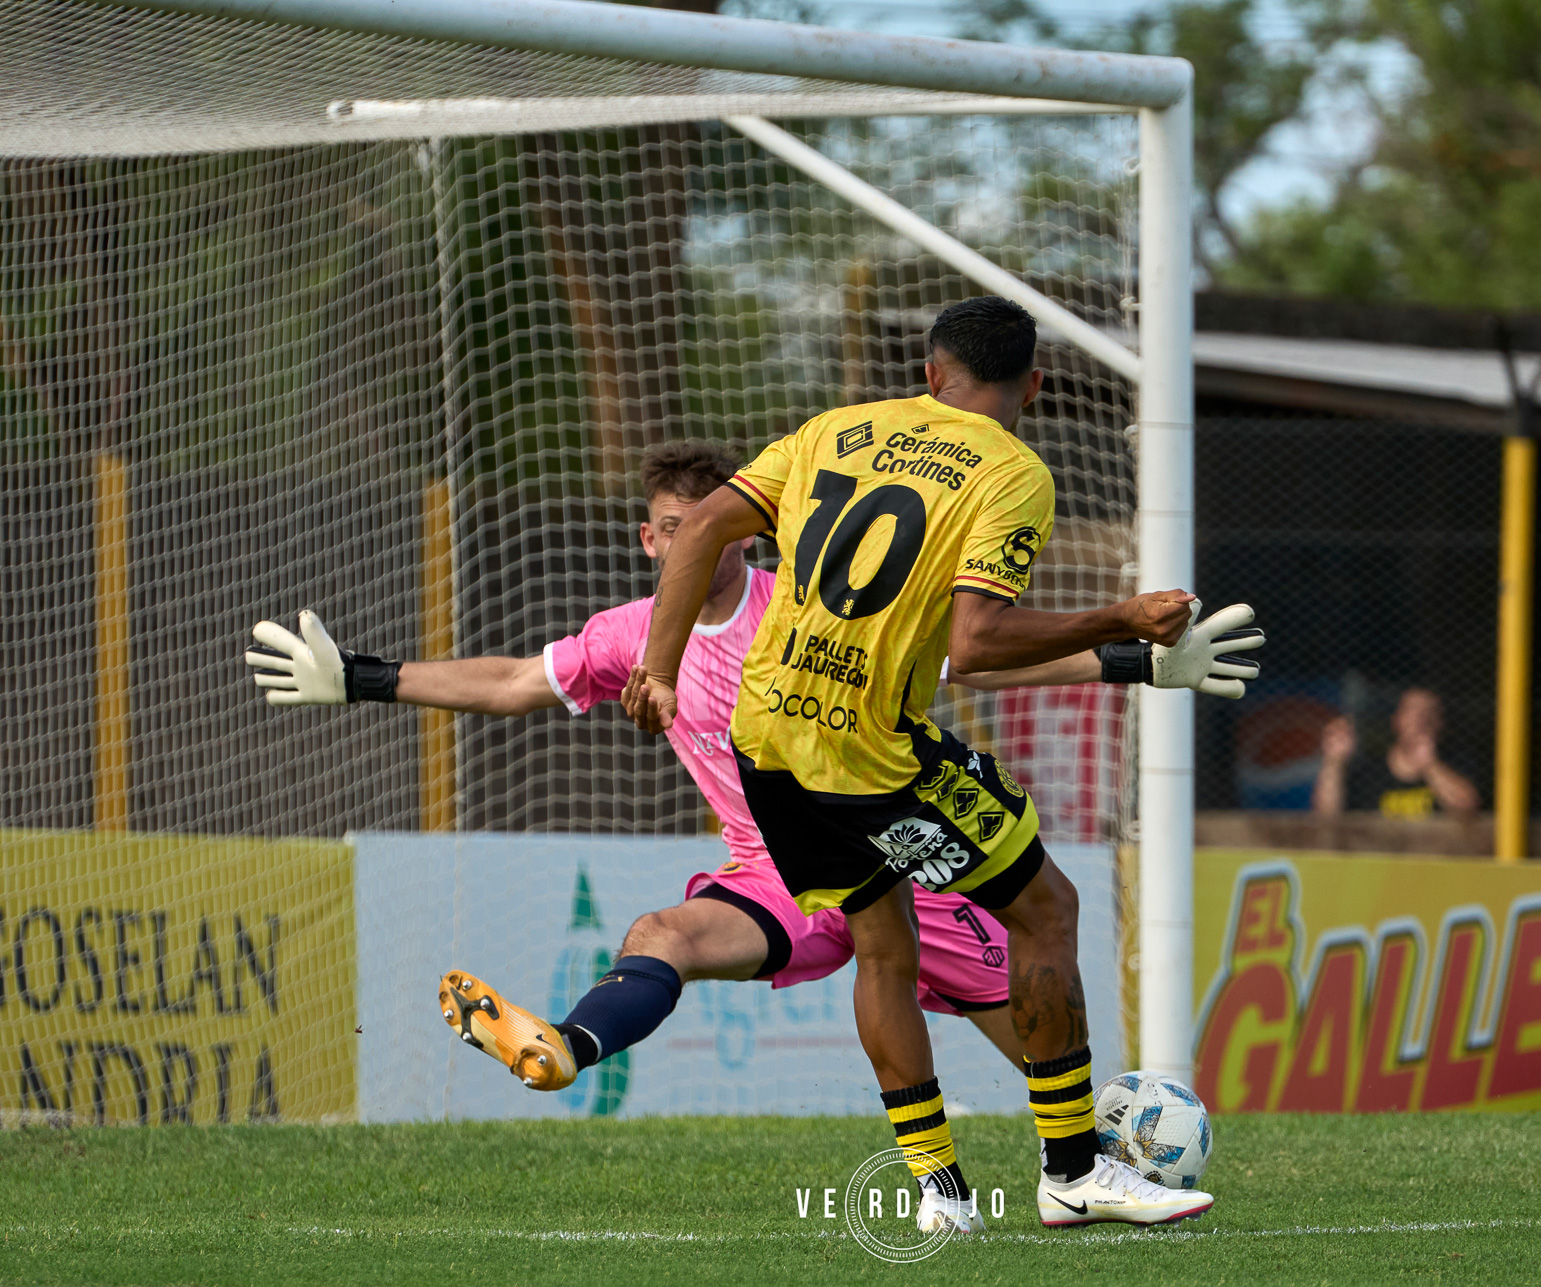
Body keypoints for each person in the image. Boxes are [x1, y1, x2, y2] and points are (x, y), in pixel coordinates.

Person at [245, 427, 1262, 1231]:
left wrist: (1135, 664)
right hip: (779, 875)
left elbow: (975, 660)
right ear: (648, 541)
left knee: (1041, 1045)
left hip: (909, 866)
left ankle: (1102, 1153)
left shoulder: (810, 610)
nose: (675, 539)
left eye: (697, 522)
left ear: (744, 532)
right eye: (659, 527)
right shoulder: (631, 637)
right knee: (663, 937)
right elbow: (514, 682)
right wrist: (363, 679)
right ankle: (564, 1048)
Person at [621, 297, 1261, 1232]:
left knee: (884, 946)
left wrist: (660, 666)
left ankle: (941, 1194)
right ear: (1034, 387)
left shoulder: (834, 430)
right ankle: (1073, 1171)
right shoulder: (1012, 470)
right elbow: (984, 639)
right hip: (870, 749)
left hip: (765, 741)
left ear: (930, 373)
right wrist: (1123, 618)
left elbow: (709, 524)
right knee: (1049, 908)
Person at [1310, 687, 1479, 819]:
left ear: (1440, 723)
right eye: (1411, 711)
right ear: (1396, 720)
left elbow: (1467, 808)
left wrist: (1430, 766)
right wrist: (1334, 762)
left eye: (1428, 712)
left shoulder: (1455, 763)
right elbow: (1326, 817)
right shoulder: (1368, 773)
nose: (1419, 719)